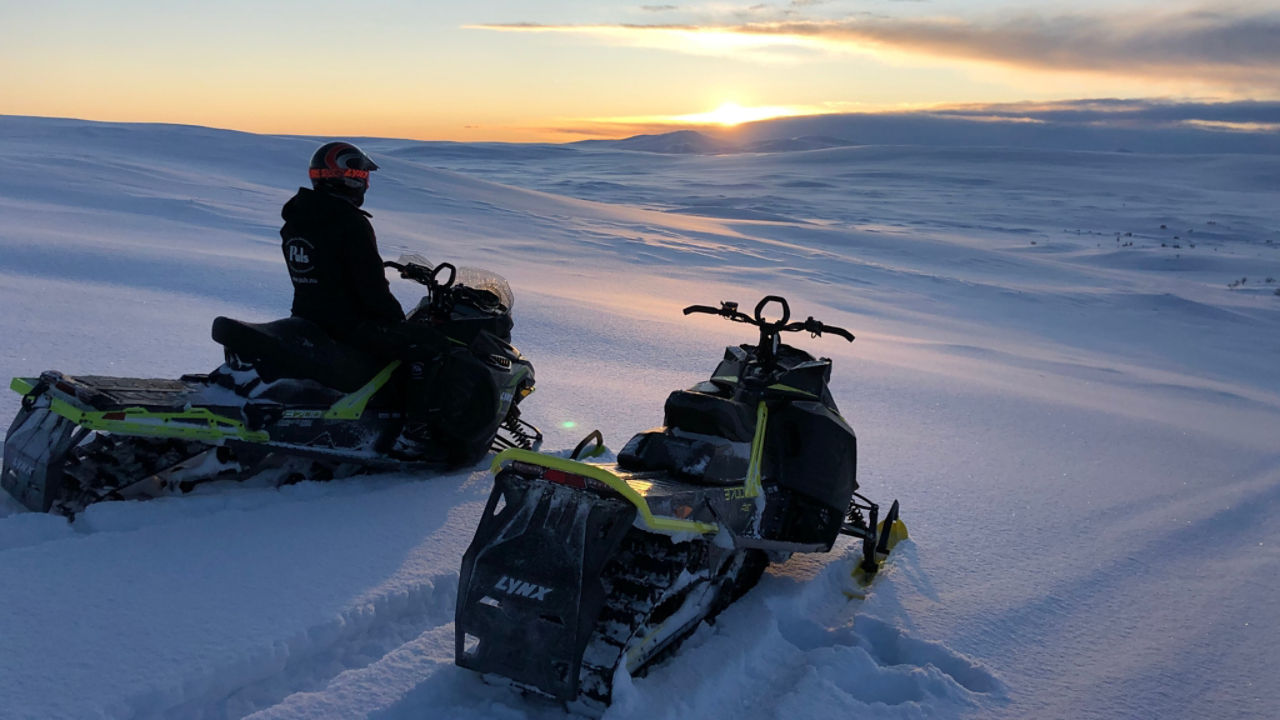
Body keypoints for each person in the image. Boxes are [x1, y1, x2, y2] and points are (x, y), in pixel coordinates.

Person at [279, 141, 451, 459]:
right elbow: (371, 288)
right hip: (348, 324)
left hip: (307, 317)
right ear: (349, 178)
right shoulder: (350, 223)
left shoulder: (296, 219)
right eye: (362, 175)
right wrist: (398, 321)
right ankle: (415, 432)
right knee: (429, 348)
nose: (365, 183)